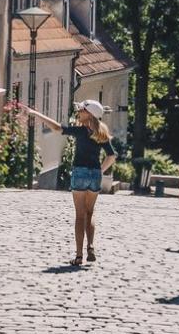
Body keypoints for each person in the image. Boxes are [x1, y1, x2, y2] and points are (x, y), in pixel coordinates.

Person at [28, 100, 117, 267]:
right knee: (90, 212)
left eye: (82, 110)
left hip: (80, 172)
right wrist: (100, 171)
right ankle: (90, 246)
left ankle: (78, 256)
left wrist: (37, 114)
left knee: (80, 215)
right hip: (94, 174)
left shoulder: (81, 131)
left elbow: (56, 128)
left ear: (89, 114)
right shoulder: (101, 133)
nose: (79, 112)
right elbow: (111, 156)